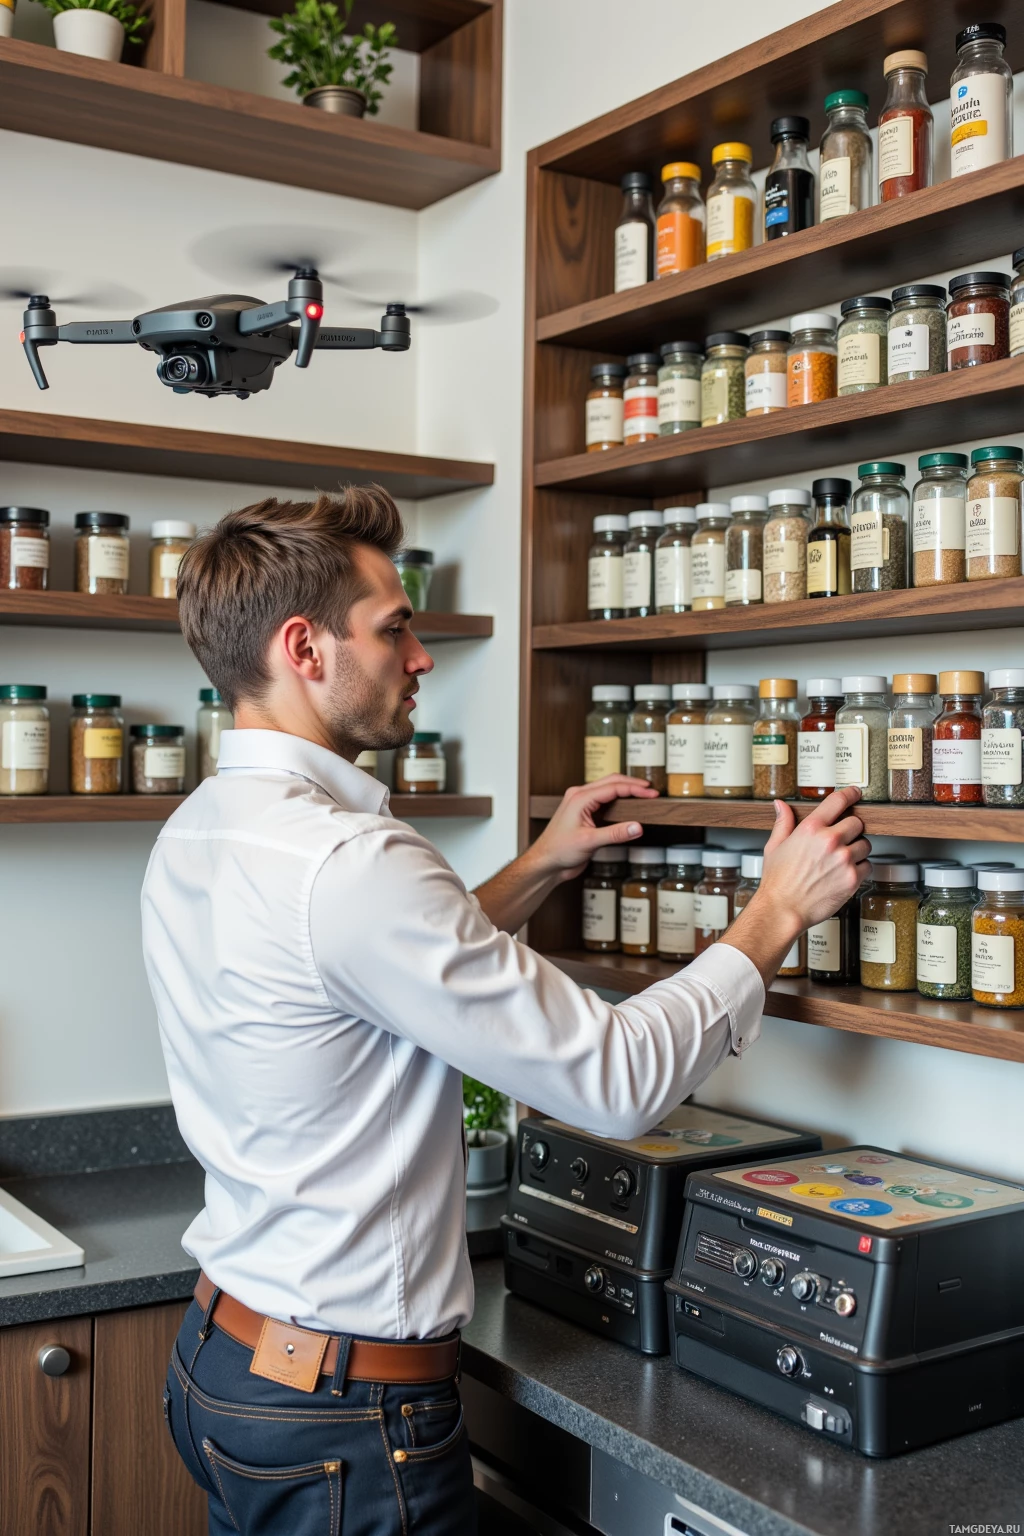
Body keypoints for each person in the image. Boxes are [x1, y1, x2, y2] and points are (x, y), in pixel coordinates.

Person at [142, 487, 869, 1536]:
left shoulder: (209, 826)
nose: (422, 656)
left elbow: (361, 981)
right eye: (394, 627)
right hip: (344, 1413)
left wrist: (541, 867)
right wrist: (773, 914)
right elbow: (611, 1082)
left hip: (228, 1362)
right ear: (304, 648)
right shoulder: (349, 861)